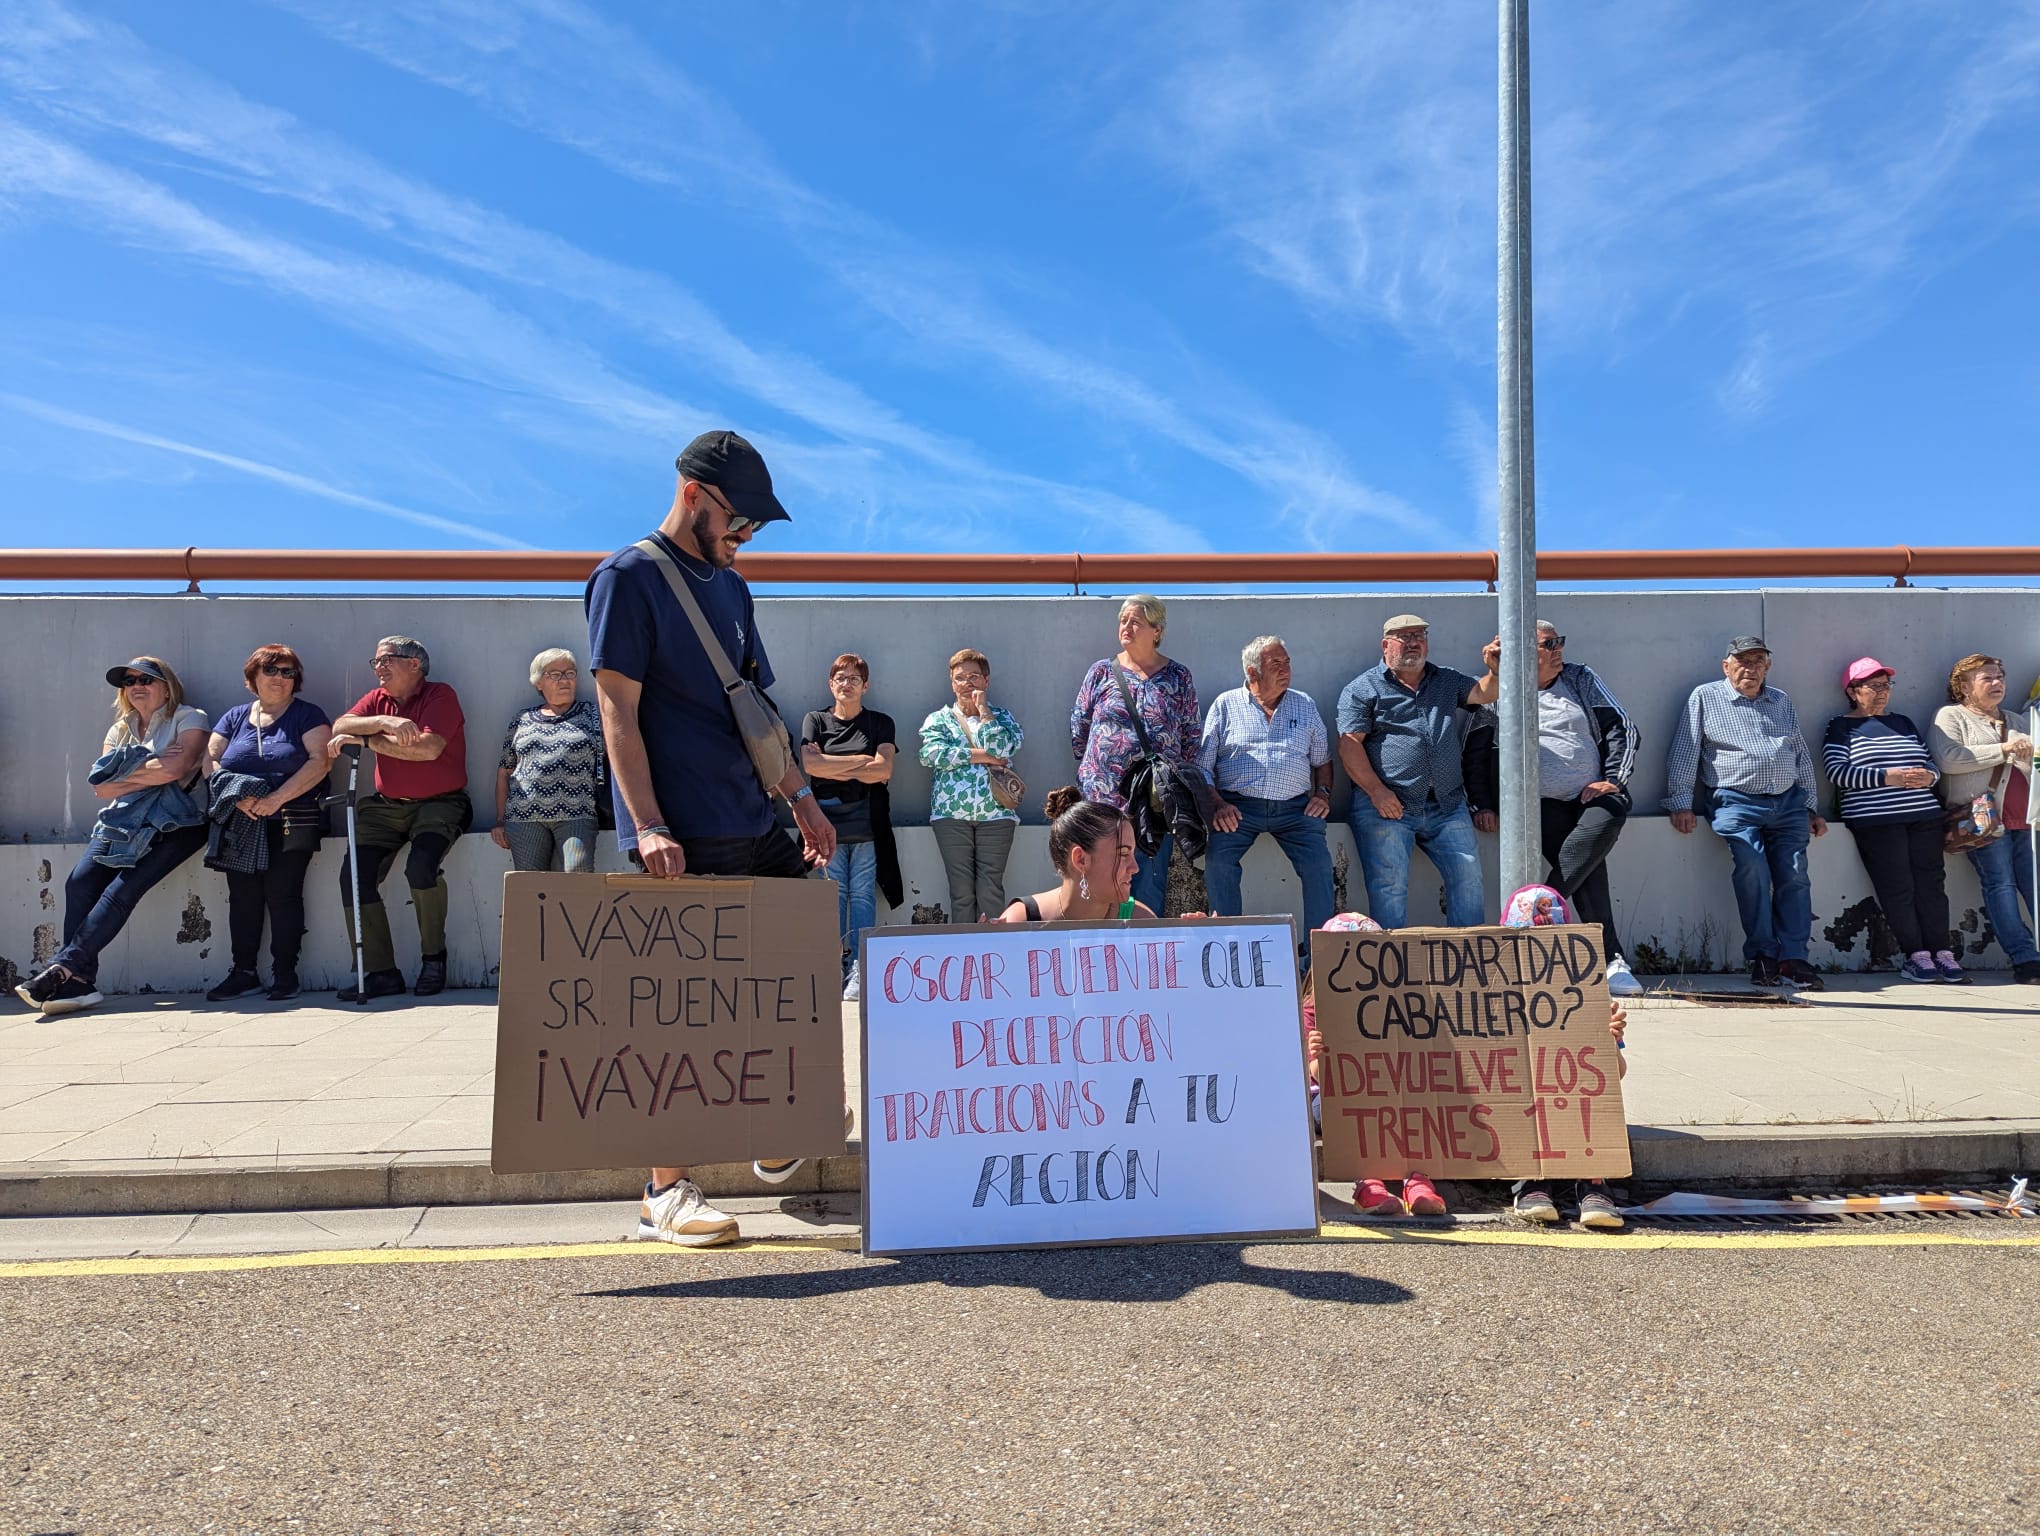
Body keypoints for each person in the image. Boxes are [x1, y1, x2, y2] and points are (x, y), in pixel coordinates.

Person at [585, 429, 835, 1246]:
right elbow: (616, 712)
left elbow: (760, 706)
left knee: (798, 974)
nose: (748, 536)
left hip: (754, 815)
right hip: (682, 830)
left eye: (758, 525)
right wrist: (648, 825)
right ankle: (664, 1190)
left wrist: (802, 799)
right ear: (693, 494)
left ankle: (774, 1125)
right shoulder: (628, 578)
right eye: (740, 519)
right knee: (681, 1016)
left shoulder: (733, 586)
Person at [15, 658, 209, 1016]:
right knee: (79, 883)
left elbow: (177, 768)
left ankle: (63, 970)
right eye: (129, 681)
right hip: (124, 821)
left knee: (122, 890)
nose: (136, 686)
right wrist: (154, 765)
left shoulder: (190, 718)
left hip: (180, 823)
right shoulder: (120, 729)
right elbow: (102, 786)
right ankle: (79, 981)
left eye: (146, 679)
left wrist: (129, 772)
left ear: (167, 687)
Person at [1465, 622, 1643, 995]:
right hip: (1538, 805)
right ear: (1522, 651)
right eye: (1548, 644)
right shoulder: (1499, 690)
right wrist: (1482, 803)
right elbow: (1475, 749)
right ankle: (1611, 961)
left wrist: (1614, 778)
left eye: (1559, 642)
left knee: (1605, 822)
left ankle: (1532, 912)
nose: (1558, 649)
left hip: (1593, 794)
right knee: (1588, 868)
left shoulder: (1579, 678)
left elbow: (1623, 727)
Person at [1663, 635, 1826, 990]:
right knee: (1752, 867)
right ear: (1726, 666)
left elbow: (1799, 753)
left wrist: (1811, 805)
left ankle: (1794, 958)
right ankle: (1764, 955)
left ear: (1768, 667)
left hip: (1788, 802)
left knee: (1795, 875)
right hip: (1735, 801)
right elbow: (1686, 749)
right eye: (1742, 662)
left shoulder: (1781, 700)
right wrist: (1680, 802)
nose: (1750, 669)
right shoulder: (1705, 696)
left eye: (1757, 662)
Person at [326, 636, 471, 1002]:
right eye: (375, 662)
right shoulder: (378, 700)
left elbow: (428, 749)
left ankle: (434, 959)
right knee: (354, 877)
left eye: (387, 660)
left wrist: (368, 740)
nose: (379, 668)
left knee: (420, 868)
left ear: (414, 664)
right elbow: (340, 726)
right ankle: (381, 972)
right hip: (386, 807)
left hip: (440, 804)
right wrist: (384, 720)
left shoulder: (440, 695)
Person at [1336, 613, 1500, 929]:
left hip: (1447, 803)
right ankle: (1395, 959)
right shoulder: (1363, 688)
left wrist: (1495, 670)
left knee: (1468, 878)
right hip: (1386, 806)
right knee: (1389, 886)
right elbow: (1349, 745)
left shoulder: (1446, 679)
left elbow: (1484, 693)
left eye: (1420, 636)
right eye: (1405, 637)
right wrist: (1377, 792)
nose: (1414, 643)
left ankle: (1468, 956)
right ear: (1385, 645)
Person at [202, 645, 331, 1003]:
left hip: (290, 820)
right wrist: (235, 797)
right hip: (242, 820)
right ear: (253, 678)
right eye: (271, 671)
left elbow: (321, 761)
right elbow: (210, 759)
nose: (279, 678)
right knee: (242, 897)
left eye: (288, 672)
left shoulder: (308, 715)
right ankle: (243, 972)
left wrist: (276, 799)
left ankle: (285, 973)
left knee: (283, 894)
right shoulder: (235, 717)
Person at [1822, 657, 1962, 985]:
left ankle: (1942, 952)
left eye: (1886, 685)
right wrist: (1888, 778)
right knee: (1898, 886)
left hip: (1924, 816)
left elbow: (1930, 764)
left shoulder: (1903, 722)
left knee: (1931, 885)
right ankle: (1916, 955)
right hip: (1876, 820)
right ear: (1853, 691)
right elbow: (1837, 773)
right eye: (1874, 686)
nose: (1882, 692)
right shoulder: (1840, 726)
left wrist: (1928, 776)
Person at [1197, 635, 1334, 960]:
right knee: (1219, 862)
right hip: (1237, 806)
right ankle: (1230, 951)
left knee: (1319, 866)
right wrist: (1218, 804)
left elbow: (1323, 761)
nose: (1286, 670)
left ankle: (1318, 960)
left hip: (1295, 809)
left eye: (1287, 662)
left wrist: (1323, 794)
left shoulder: (1304, 704)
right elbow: (1202, 766)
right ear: (1252, 672)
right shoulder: (1226, 705)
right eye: (1276, 664)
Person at [1071, 594, 1200, 914]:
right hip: (1103, 797)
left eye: (1136, 621)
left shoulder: (1178, 677)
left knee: (1146, 880)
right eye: (1123, 620)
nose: (1126, 627)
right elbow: (1079, 727)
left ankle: (1140, 941)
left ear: (1157, 630)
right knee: (1097, 876)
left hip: (1154, 801)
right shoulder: (1101, 672)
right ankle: (1096, 939)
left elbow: (1191, 736)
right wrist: (1101, 767)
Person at [1930, 653, 2040, 984]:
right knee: (2000, 885)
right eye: (1987, 678)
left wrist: (2028, 755)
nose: (1997, 683)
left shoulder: (2016, 719)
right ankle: (2025, 959)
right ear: (1964, 687)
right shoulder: (1951, 716)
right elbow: (1950, 760)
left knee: (2036, 888)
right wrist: (2005, 749)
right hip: (1984, 821)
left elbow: (2034, 764)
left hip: (2027, 819)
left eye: (2000, 677)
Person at [804, 653, 896, 997]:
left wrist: (832, 765)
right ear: (831, 684)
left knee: (861, 895)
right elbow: (810, 766)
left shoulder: (880, 723)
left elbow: (883, 770)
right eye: (840, 678)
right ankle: (833, 965)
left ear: (865, 686)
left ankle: (860, 968)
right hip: (824, 822)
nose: (847, 684)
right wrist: (860, 761)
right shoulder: (815, 720)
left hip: (867, 822)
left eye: (854, 679)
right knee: (832, 894)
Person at [919, 649, 1022, 924]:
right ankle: (963, 946)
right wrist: (983, 756)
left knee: (991, 889)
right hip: (951, 815)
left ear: (986, 680)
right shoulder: (939, 719)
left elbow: (1004, 748)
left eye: (974, 676)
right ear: (952, 683)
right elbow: (932, 755)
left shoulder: (1002, 717)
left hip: (997, 814)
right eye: (960, 678)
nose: (967, 683)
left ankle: (993, 946)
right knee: (961, 892)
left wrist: (985, 712)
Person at [491, 648, 605, 875]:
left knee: (579, 875)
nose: (564, 680)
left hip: (577, 814)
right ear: (538, 683)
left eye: (570, 673)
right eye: (555, 674)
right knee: (531, 885)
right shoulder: (521, 719)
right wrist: (501, 820)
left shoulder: (592, 714)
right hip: (524, 818)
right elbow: (505, 772)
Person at [997, 788, 1155, 923]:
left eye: (1133, 854)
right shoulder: (1021, 921)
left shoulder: (1141, 922)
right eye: (1123, 854)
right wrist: (985, 943)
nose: (1135, 868)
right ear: (1081, 859)